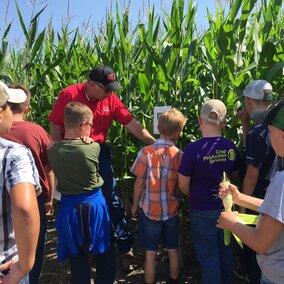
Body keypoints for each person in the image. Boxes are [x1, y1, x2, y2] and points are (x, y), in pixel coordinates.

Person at [48, 65, 155, 271]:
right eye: (107, 88)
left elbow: (130, 123)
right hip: (72, 151)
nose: (111, 92)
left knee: (112, 199)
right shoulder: (69, 94)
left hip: (98, 151)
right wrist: (60, 153)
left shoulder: (110, 99)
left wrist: (154, 143)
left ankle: (125, 248)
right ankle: (81, 250)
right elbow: (55, 125)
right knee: (74, 200)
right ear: (92, 85)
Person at [217, 101, 284, 284]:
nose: (269, 136)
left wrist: (232, 223)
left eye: (271, 131)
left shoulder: (281, 181)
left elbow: (261, 243)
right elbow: (277, 210)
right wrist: (240, 198)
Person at [48, 101, 113, 284]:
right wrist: (89, 140)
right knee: (104, 253)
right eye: (91, 125)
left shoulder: (52, 151)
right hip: (94, 207)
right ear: (83, 125)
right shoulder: (93, 147)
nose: (91, 131)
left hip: (69, 209)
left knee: (76, 257)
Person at [178, 99, 240, 284]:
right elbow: (235, 176)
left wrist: (195, 195)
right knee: (225, 251)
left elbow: (182, 184)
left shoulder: (192, 150)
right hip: (226, 209)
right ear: (223, 124)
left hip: (201, 210)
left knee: (208, 256)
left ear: (199, 120)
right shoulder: (231, 147)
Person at [2, 83, 54, 284]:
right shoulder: (35, 133)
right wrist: (48, 198)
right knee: (33, 254)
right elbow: (48, 168)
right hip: (32, 200)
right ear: (27, 109)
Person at [131, 108, 186, 284]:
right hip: (171, 210)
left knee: (150, 252)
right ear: (178, 132)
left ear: (158, 128)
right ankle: (174, 279)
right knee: (172, 249)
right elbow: (181, 183)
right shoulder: (180, 155)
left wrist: (134, 204)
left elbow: (139, 182)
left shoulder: (146, 152)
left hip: (149, 211)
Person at [238, 80, 282, 284]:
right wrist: (245, 125)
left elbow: (251, 174)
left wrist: (241, 207)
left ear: (248, 101)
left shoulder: (259, 132)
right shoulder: (270, 126)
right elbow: (253, 151)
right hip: (272, 191)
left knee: (254, 241)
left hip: (258, 194)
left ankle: (253, 276)